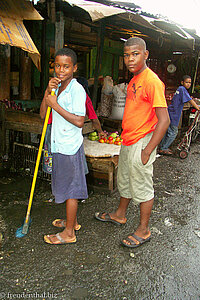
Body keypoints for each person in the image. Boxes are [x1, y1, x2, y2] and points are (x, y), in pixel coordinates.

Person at [95, 37, 170, 248]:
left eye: (135, 54)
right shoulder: (134, 79)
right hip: (129, 139)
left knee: (143, 187)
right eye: (126, 55)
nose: (130, 59)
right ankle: (120, 214)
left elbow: (164, 121)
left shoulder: (152, 81)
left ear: (146, 55)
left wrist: (147, 150)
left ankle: (144, 230)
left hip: (142, 141)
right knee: (125, 180)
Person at [40, 48, 88, 245]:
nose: (61, 70)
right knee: (66, 185)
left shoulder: (77, 90)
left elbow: (79, 121)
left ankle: (69, 233)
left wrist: (56, 105)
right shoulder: (56, 87)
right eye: (57, 66)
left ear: (74, 68)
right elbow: (44, 115)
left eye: (66, 66)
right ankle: (72, 221)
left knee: (71, 190)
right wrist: (47, 94)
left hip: (69, 147)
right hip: (58, 144)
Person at [42, 77, 106, 175]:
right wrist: (100, 131)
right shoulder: (58, 92)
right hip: (57, 131)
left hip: (52, 129)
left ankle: (57, 179)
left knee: (57, 164)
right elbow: (93, 118)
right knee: (68, 166)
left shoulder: (65, 91)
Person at [158, 75, 200, 155]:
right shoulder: (182, 89)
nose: (188, 84)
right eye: (187, 82)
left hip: (171, 112)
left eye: (190, 83)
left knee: (168, 130)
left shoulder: (180, 89)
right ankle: (163, 148)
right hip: (174, 114)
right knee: (174, 132)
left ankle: (162, 146)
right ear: (182, 82)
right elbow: (190, 100)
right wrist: (197, 108)